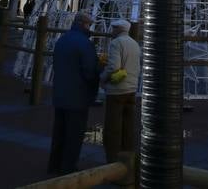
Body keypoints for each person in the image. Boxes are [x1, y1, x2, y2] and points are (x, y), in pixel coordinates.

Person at [48, 11, 100, 176]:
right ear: (84, 25)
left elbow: (55, 63)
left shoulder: (62, 39)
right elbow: (89, 71)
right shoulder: (85, 44)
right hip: (78, 95)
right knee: (74, 134)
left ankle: (54, 165)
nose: (90, 27)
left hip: (60, 93)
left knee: (59, 131)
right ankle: (68, 167)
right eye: (89, 25)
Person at [101, 18, 141, 174]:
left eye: (113, 28)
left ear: (118, 29)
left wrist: (102, 78)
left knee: (112, 128)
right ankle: (128, 159)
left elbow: (113, 66)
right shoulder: (134, 44)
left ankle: (112, 163)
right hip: (131, 89)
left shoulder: (116, 43)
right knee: (128, 127)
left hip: (117, 90)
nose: (112, 31)